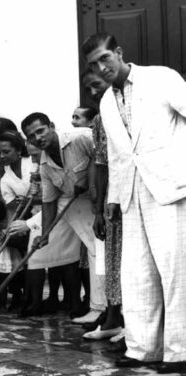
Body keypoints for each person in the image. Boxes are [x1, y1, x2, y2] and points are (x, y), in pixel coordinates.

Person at [83, 33, 186, 373]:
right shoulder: (106, 103)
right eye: (94, 64)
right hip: (131, 196)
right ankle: (142, 348)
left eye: (105, 59)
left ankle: (179, 351)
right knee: (137, 274)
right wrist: (113, 198)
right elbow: (117, 154)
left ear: (119, 53)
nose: (102, 68)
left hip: (171, 188)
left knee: (175, 273)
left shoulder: (161, 77)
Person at [20, 112, 107, 325]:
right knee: (96, 250)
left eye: (41, 130)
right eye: (32, 136)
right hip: (76, 201)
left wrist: (90, 179)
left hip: (107, 195)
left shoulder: (81, 136)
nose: (38, 138)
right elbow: (49, 201)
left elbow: (103, 157)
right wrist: (45, 234)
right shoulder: (44, 164)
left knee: (102, 251)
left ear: (51, 126)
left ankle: (108, 309)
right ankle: (100, 308)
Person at [0, 130, 82, 317]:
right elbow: (18, 204)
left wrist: (34, 203)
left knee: (66, 259)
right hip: (39, 215)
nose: (35, 157)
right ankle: (36, 302)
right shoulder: (10, 177)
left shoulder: (43, 165)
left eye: (36, 154)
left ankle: (71, 301)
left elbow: (53, 197)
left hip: (58, 212)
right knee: (37, 257)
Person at [80, 68, 124, 342]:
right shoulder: (98, 120)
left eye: (99, 85)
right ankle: (112, 318)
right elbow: (100, 164)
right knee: (111, 258)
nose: (95, 93)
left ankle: (134, 322)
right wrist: (98, 208)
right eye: (90, 89)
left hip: (139, 193)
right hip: (112, 201)